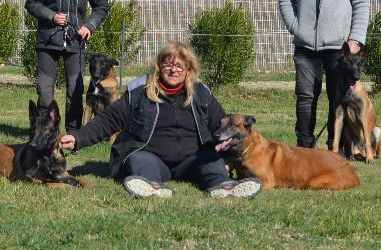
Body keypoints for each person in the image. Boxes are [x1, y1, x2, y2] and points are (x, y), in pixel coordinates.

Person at [58, 42, 263, 199]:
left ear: (189, 69)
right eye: (168, 65)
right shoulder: (139, 90)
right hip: (152, 158)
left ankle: (224, 186)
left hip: (193, 159)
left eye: (180, 66)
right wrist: (78, 137)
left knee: (212, 161)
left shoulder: (202, 93)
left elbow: (224, 127)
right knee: (138, 159)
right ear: (159, 66)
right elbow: (108, 120)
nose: (174, 70)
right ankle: (151, 187)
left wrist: (229, 160)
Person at [278, 0, 370, 149]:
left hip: (339, 50)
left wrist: (355, 38)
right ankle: (305, 146)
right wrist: (296, 27)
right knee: (306, 97)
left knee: (337, 99)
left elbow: (361, 4)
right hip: (305, 48)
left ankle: (334, 146)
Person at [25, 0, 110, 133]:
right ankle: (45, 131)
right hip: (48, 40)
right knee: (45, 90)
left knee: (75, 90)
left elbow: (102, 6)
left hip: (76, 42)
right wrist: (51, 16)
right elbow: (32, 2)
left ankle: (73, 135)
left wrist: (89, 25)